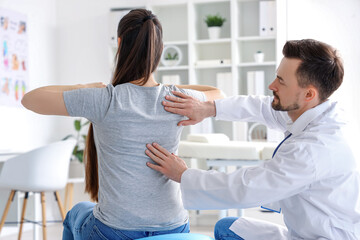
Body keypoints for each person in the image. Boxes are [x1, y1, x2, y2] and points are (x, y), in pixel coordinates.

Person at [21, 9, 224, 240]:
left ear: (120, 44)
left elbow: (30, 99)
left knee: (75, 213)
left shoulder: (105, 99)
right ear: (159, 49)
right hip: (174, 227)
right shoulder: (177, 100)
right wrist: (170, 89)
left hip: (116, 231)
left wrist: (84, 87)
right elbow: (218, 94)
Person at [145, 39, 360, 239]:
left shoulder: (315, 149)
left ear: (308, 94)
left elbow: (246, 188)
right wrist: (208, 108)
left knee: (225, 227)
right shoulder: (314, 110)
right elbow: (261, 107)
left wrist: (184, 174)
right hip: (303, 233)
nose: (272, 85)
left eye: (281, 81)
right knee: (226, 227)